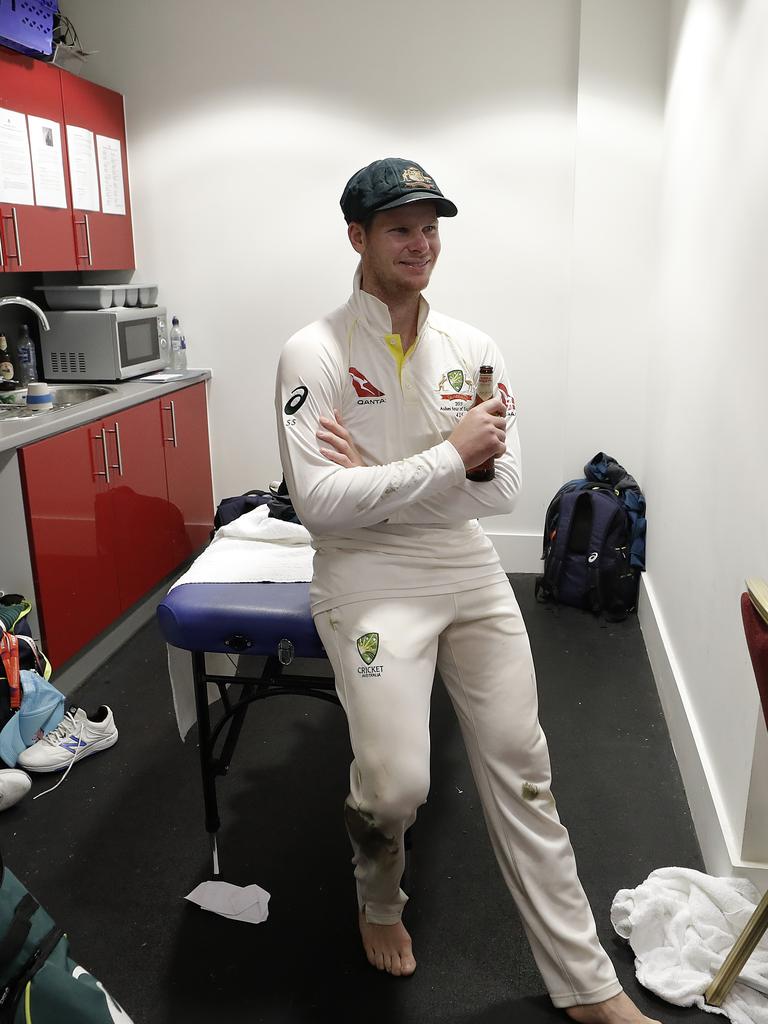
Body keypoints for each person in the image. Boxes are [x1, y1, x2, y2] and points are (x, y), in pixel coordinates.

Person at [274, 157, 660, 1023]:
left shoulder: (472, 349)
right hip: (364, 577)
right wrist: (449, 455)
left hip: (466, 565)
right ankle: (379, 896)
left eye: (430, 226)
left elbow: (505, 491)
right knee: (396, 784)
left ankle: (589, 988)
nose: (421, 243)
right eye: (400, 228)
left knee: (527, 773)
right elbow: (321, 507)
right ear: (358, 238)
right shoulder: (314, 351)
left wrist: (390, 473)